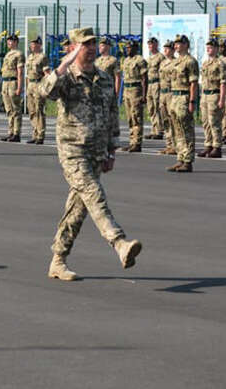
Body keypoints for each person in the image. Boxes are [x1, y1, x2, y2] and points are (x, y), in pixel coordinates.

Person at [40, 28, 142, 281]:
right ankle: (119, 243)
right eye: (85, 44)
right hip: (72, 150)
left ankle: (58, 260)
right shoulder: (67, 77)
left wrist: (112, 150)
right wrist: (63, 64)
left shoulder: (104, 78)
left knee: (78, 209)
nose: (92, 48)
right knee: (94, 194)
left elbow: (112, 115)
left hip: (96, 151)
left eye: (94, 43)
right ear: (74, 48)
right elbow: (45, 92)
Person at [166, 35, 198, 172]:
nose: (176, 46)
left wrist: (192, 101)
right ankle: (180, 158)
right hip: (174, 96)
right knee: (176, 130)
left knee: (186, 130)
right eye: (176, 43)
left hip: (184, 96)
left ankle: (188, 161)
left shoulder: (190, 61)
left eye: (179, 43)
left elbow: (193, 83)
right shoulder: (176, 62)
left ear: (186, 45)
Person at [197, 38, 226, 158]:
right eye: (207, 47)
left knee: (214, 122)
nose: (208, 49)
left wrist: (222, 99)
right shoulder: (205, 63)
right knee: (205, 122)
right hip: (205, 94)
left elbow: (223, 82)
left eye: (211, 47)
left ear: (216, 49)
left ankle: (217, 146)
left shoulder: (220, 63)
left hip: (214, 94)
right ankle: (208, 145)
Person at [120, 40, 148, 152]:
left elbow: (144, 79)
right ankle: (132, 141)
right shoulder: (126, 60)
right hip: (127, 89)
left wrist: (144, 95)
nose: (127, 50)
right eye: (127, 48)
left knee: (136, 117)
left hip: (136, 90)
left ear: (135, 48)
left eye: (130, 48)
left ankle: (137, 142)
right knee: (130, 118)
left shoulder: (140, 60)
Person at [0, 33, 24, 142]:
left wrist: (19, 87)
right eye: (8, 41)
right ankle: (10, 132)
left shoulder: (18, 54)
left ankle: (16, 133)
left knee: (16, 109)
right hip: (5, 82)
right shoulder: (8, 54)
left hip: (13, 82)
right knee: (9, 109)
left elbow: (20, 72)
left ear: (16, 42)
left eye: (11, 41)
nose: (9, 42)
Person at [25, 36, 50, 144]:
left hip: (38, 84)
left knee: (39, 110)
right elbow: (27, 74)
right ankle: (35, 133)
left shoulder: (42, 57)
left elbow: (47, 73)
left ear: (39, 45)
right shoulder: (29, 57)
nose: (32, 45)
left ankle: (40, 135)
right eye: (31, 43)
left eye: (34, 43)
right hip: (30, 85)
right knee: (31, 110)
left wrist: (46, 87)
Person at [157, 40, 176, 155]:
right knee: (165, 120)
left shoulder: (175, 63)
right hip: (162, 93)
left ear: (173, 50)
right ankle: (168, 144)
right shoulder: (163, 63)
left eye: (168, 48)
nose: (165, 50)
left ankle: (174, 145)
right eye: (164, 48)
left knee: (172, 120)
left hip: (171, 93)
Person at [145, 37, 165, 140]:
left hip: (157, 83)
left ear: (156, 45)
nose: (150, 46)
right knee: (151, 107)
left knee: (157, 107)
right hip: (150, 84)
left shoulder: (160, 57)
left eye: (152, 44)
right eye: (149, 44)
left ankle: (159, 130)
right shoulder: (149, 58)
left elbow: (163, 72)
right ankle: (154, 129)